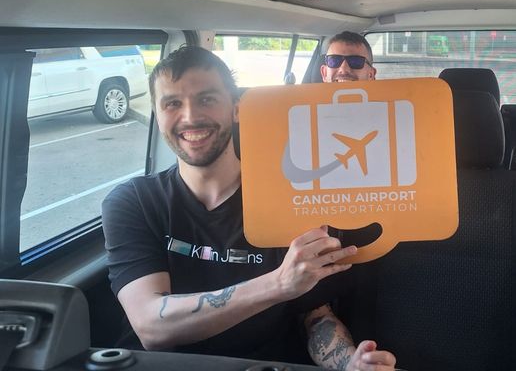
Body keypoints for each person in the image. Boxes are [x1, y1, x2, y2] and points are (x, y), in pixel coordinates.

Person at [102, 46, 395, 371]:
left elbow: (315, 316)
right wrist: (278, 285)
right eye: (172, 103)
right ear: (158, 115)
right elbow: (151, 327)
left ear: (237, 109)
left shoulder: (293, 200)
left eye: (207, 99)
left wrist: (349, 363)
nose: (190, 117)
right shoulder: (133, 202)